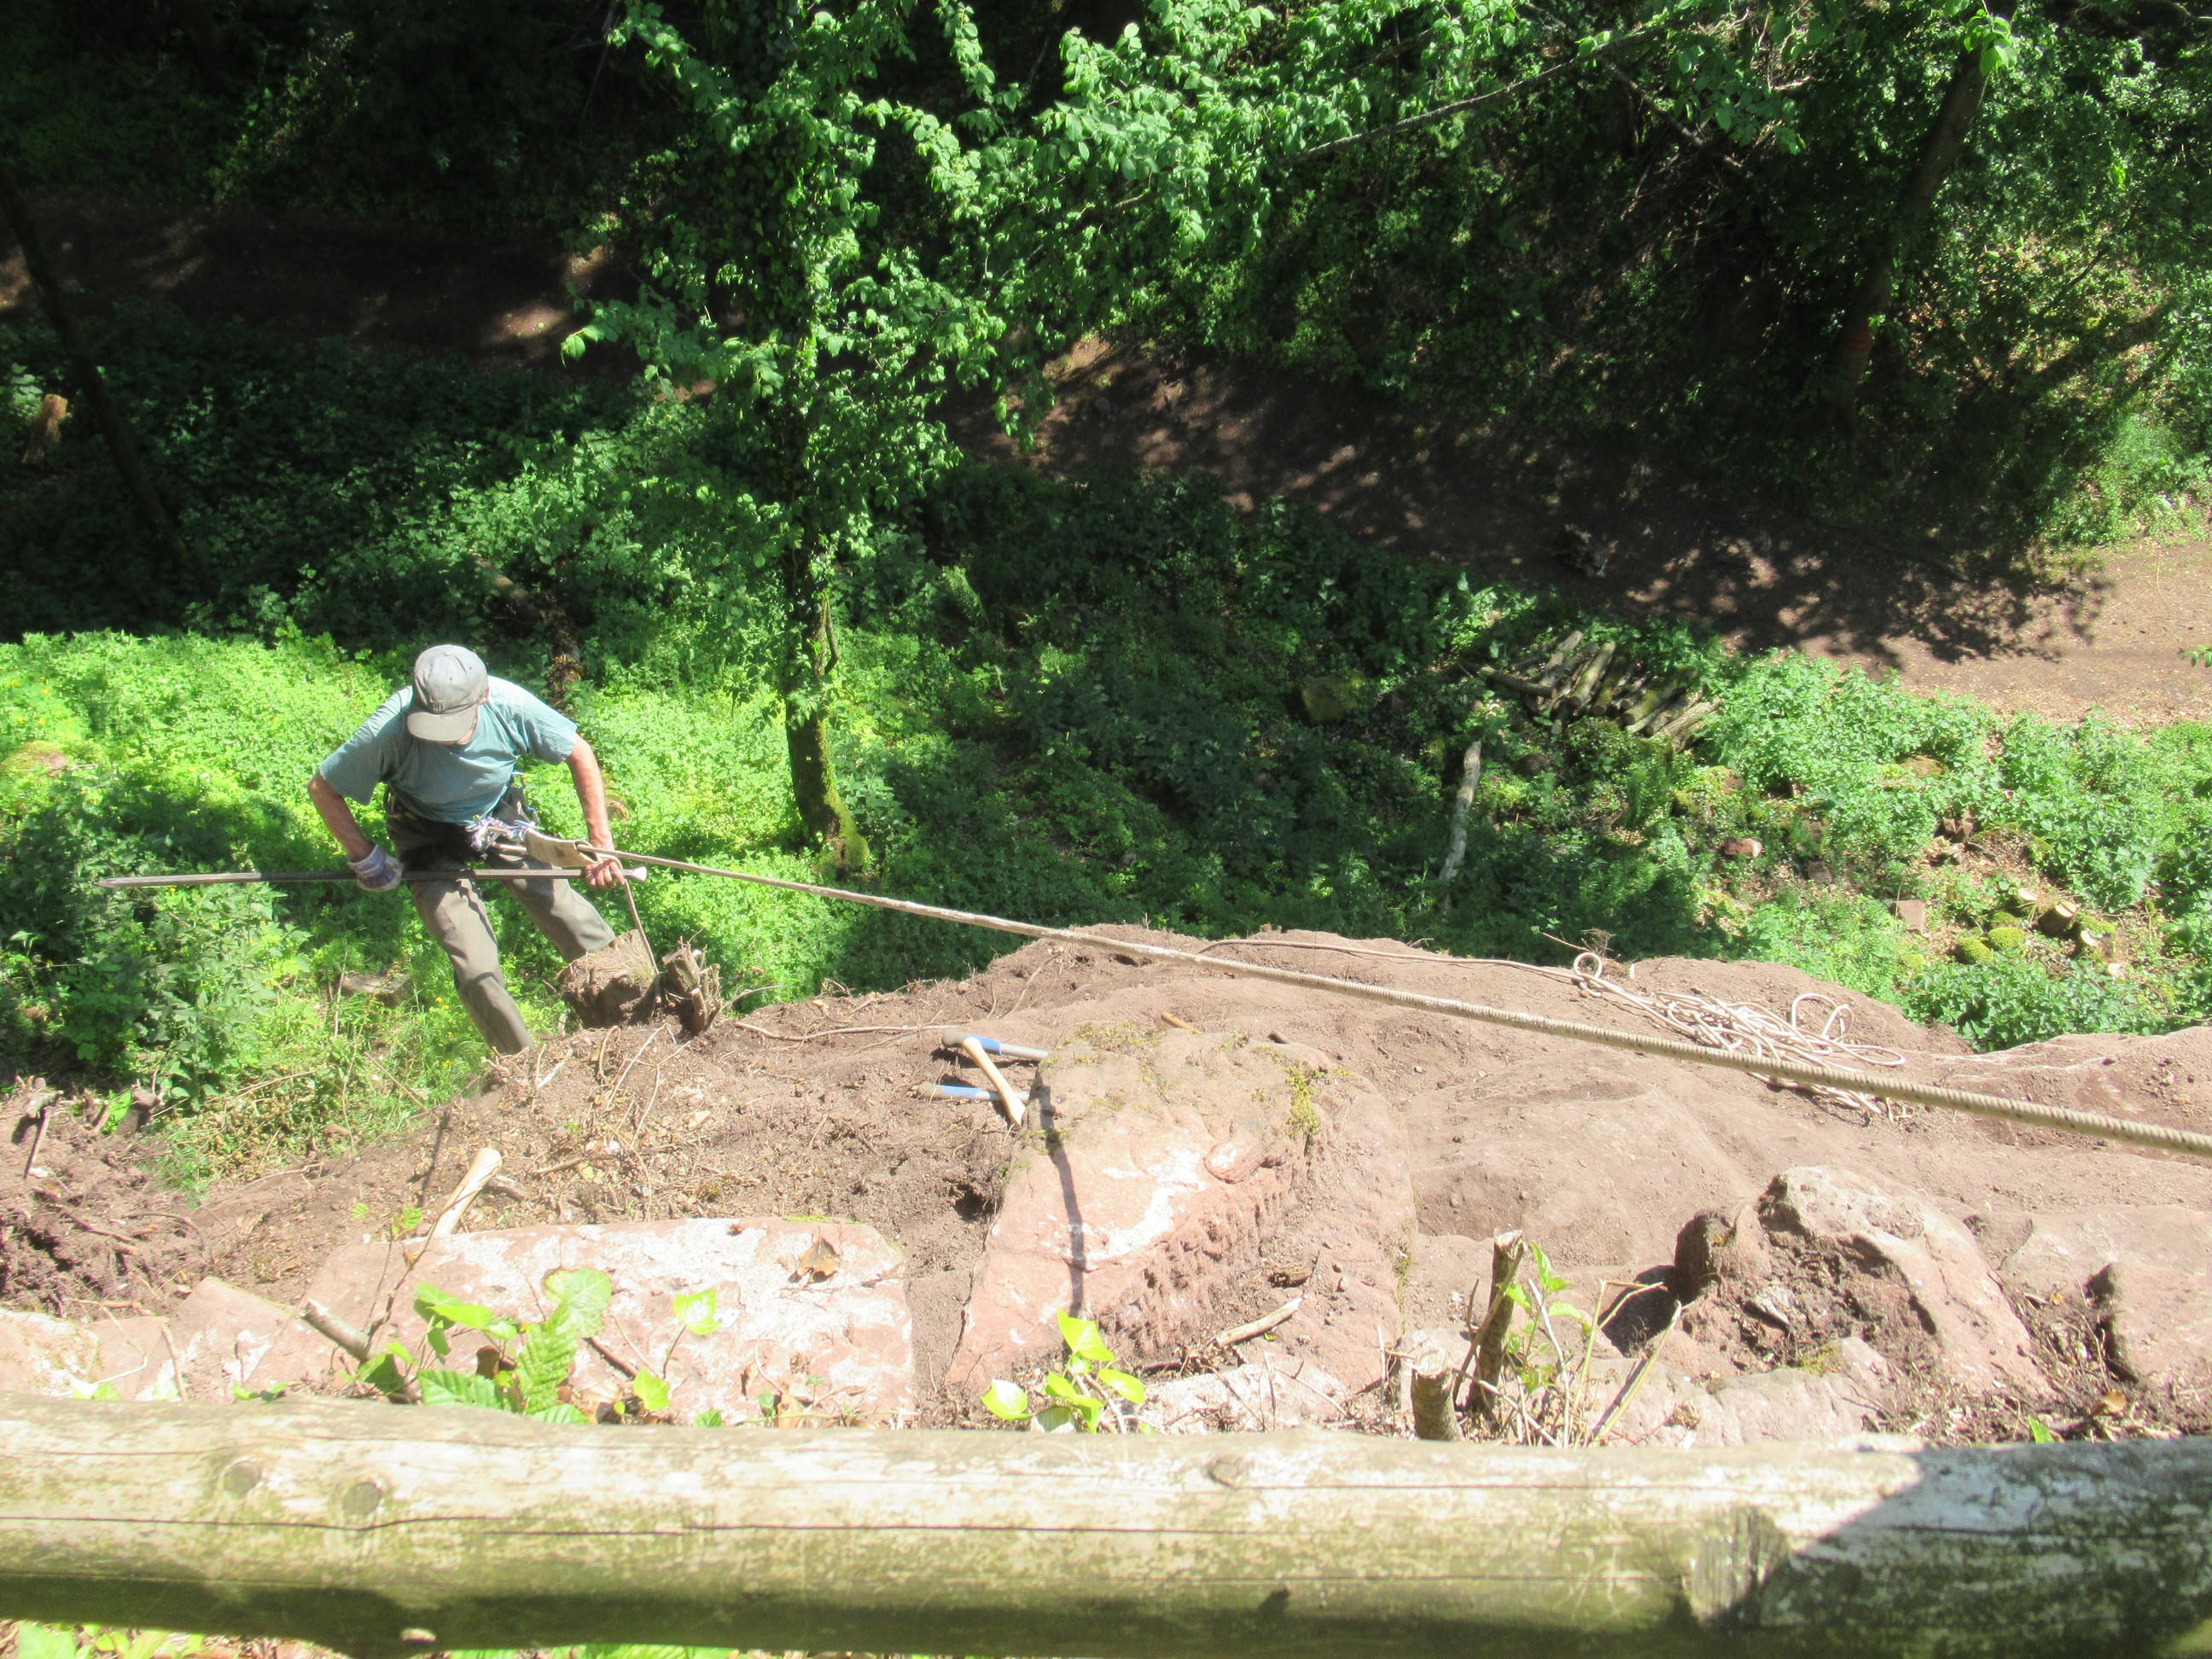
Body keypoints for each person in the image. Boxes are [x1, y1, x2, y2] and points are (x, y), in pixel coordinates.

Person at [309, 643, 625, 1054]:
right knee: (476, 967)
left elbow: (578, 752)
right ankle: (520, 1064)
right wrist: (365, 856)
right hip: (425, 833)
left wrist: (601, 843)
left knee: (568, 914)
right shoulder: (389, 729)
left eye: (455, 724)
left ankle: (635, 1011)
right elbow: (324, 788)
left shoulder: (509, 705)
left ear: (483, 696)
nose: (443, 737)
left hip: (498, 818)